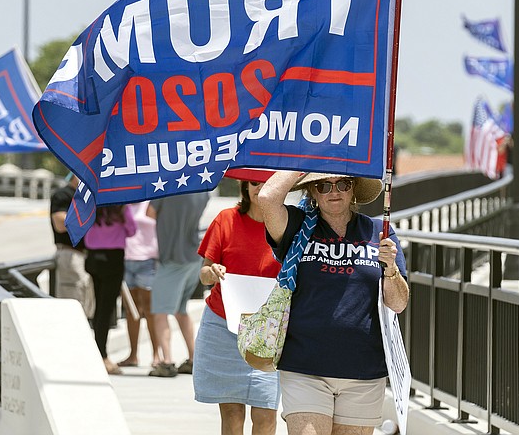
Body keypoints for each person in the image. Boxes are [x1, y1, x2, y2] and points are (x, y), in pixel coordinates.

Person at [258, 171, 409, 435]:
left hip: (364, 371)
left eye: (342, 183)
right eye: (323, 185)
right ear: (313, 192)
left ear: (354, 189)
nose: (333, 191)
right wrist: (311, 157)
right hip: (304, 367)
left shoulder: (379, 231)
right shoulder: (296, 225)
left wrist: (391, 269)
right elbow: (268, 198)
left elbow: (398, 304)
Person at [194, 178, 282, 434]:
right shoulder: (226, 219)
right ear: (244, 186)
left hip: (268, 331)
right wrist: (213, 272)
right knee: (232, 413)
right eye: (254, 182)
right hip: (224, 325)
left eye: (267, 182)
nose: (260, 188)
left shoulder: (288, 223)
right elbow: (204, 274)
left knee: (266, 413)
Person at [147, 191, 209, 378]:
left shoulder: (165, 188)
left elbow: (149, 212)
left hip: (172, 258)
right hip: (193, 256)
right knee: (181, 310)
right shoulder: (202, 190)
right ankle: (193, 358)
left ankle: (166, 362)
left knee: (159, 311)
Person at [83, 205, 137, 375]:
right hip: (113, 258)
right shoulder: (121, 207)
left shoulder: (91, 205)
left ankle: (97, 350)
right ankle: (102, 354)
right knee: (106, 308)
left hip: (92, 257)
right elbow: (132, 230)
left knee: (98, 306)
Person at [117, 200, 162, 368]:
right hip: (126, 260)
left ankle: (156, 353)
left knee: (150, 310)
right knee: (131, 311)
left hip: (147, 261)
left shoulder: (151, 203)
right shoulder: (124, 204)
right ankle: (133, 355)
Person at [50, 172, 94, 318]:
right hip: (70, 254)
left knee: (86, 302)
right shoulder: (63, 195)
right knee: (71, 304)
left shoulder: (86, 197)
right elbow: (60, 223)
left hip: (87, 254)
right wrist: (90, 217)